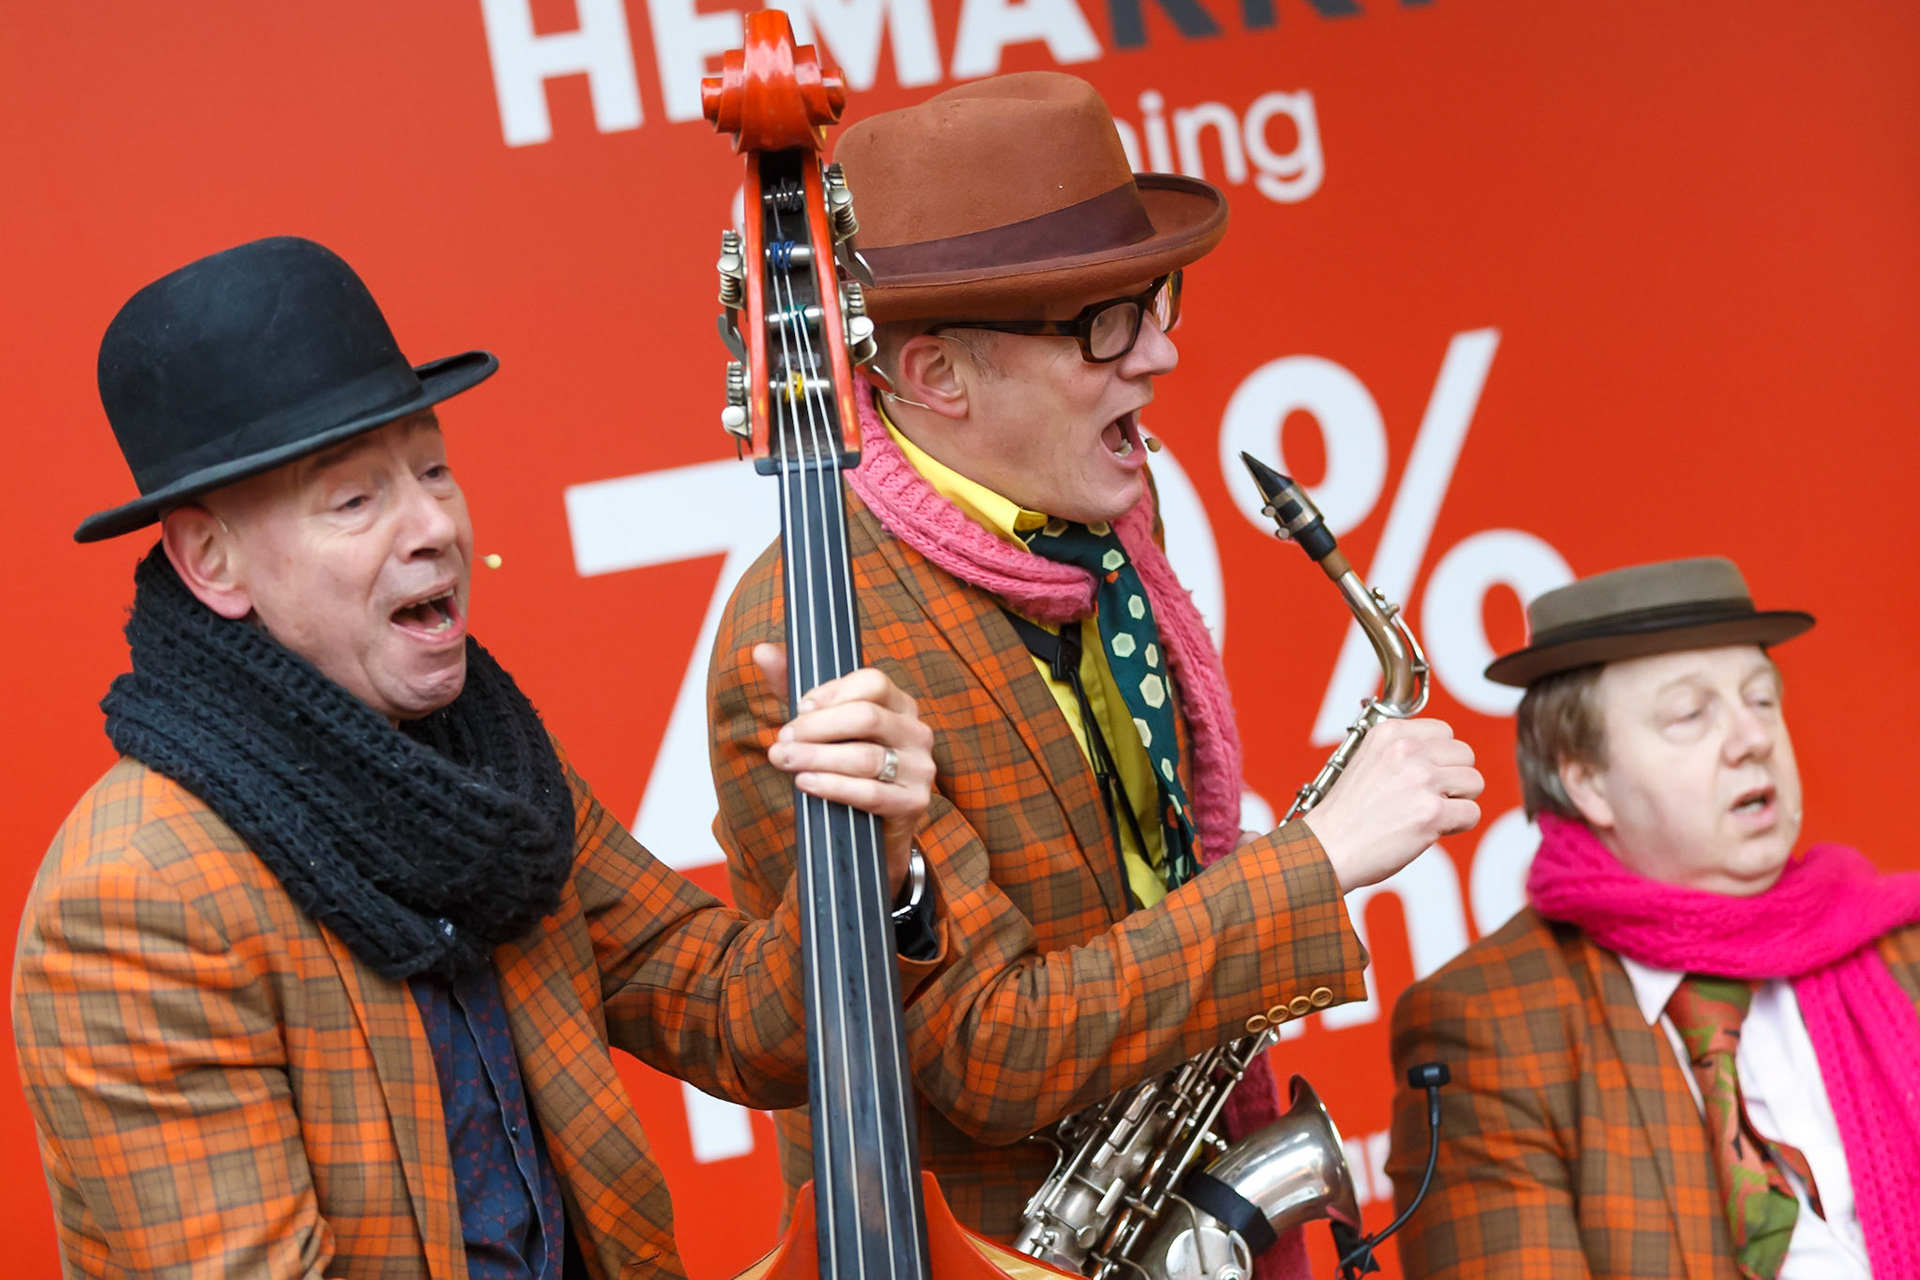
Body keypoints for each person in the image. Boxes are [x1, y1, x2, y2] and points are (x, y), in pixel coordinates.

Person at [12, 236, 943, 1280]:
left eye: (433, 467)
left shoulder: (485, 769)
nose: (434, 526)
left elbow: (734, 1016)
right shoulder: (136, 899)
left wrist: (880, 855)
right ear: (210, 560)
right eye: (355, 498)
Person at [707, 72, 1485, 1255]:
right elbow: (989, 1049)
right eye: (1102, 324)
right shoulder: (808, 648)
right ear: (937, 377)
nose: (1161, 352)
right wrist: (1314, 862)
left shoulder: (1107, 517)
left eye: (1154, 300)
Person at [1386, 557, 1920, 1279]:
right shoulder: (1488, 1024)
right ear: (1588, 781)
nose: (1751, 738)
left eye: (1761, 701)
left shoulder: (1901, 948)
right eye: (1690, 715)